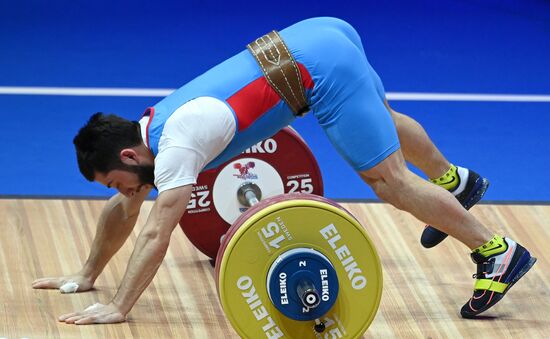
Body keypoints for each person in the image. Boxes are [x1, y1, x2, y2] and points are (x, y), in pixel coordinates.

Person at [32, 17, 535, 324]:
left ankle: (497, 253)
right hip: (317, 33)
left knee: (389, 180)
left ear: (127, 157)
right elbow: (126, 211)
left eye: (118, 184)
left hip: (322, 72)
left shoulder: (176, 146)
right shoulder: (151, 126)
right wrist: (85, 275)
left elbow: (155, 236)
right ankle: (455, 183)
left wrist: (121, 306)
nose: (125, 195)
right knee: (382, 120)